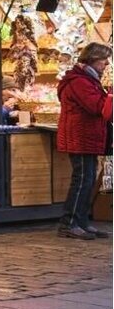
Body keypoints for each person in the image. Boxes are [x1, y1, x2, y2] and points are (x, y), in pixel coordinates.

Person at [56, 43, 112, 240]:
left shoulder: (88, 79)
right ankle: (69, 223)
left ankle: (81, 222)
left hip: (87, 136)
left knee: (87, 180)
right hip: (79, 137)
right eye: (103, 59)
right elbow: (96, 107)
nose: (106, 63)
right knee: (82, 180)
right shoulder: (79, 82)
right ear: (91, 59)